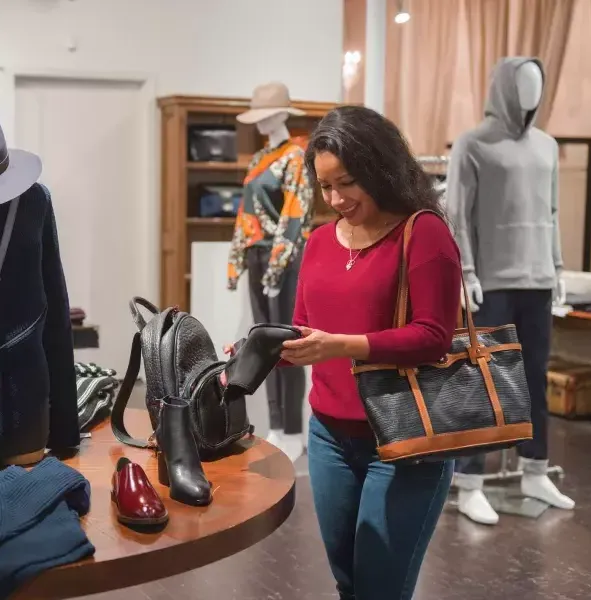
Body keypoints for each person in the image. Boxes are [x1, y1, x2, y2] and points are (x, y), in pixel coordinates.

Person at [226, 106, 461, 600]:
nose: (335, 199)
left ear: (379, 169)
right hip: (330, 438)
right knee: (349, 583)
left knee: (380, 589)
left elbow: (435, 336)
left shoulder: (423, 233)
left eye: (347, 183)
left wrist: (344, 346)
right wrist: (254, 353)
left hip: (404, 441)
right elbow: (304, 339)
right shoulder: (317, 243)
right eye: (325, 186)